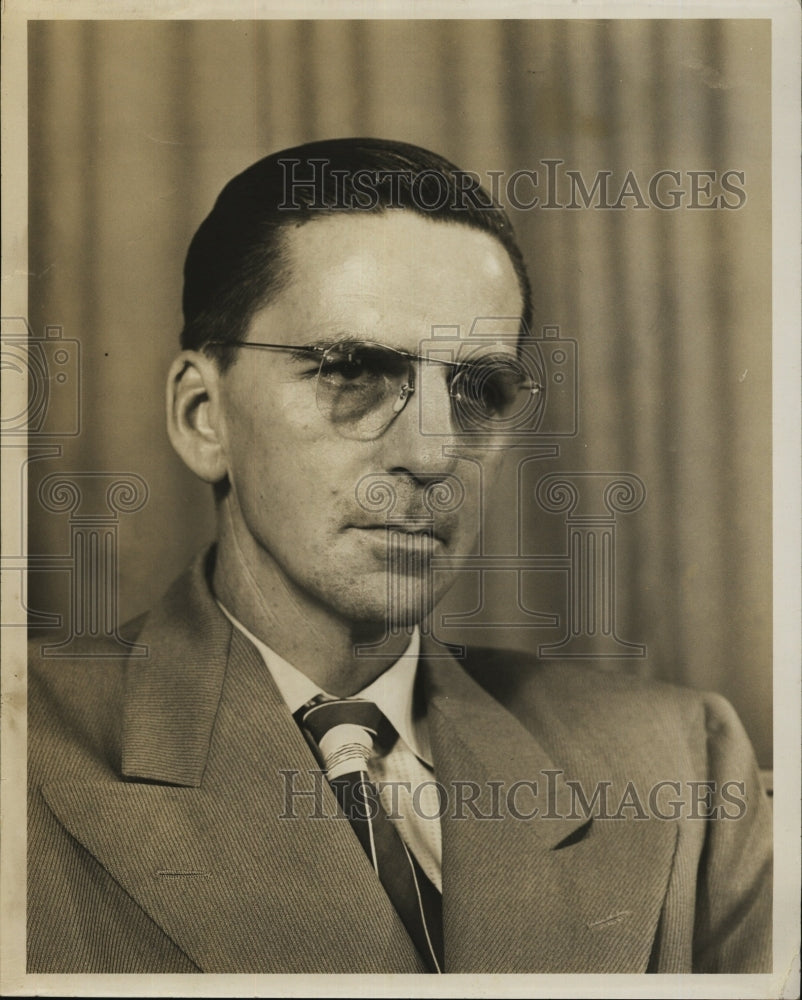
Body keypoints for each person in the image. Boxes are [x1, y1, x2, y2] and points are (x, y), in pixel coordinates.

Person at [27, 138, 772, 975]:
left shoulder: (681, 768)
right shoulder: (30, 749)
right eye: (353, 372)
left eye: (479, 390)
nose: (431, 454)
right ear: (205, 416)